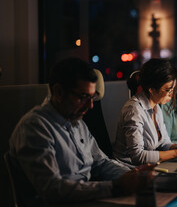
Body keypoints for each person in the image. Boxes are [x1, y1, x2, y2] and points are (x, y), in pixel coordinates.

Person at [8, 57, 153, 205]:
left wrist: (134, 176)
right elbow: (52, 189)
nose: (90, 106)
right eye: (84, 97)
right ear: (58, 92)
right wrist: (116, 187)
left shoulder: (78, 123)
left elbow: (101, 163)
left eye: (92, 97)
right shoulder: (35, 128)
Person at [113, 58, 177, 167]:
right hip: (128, 169)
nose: (171, 95)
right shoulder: (134, 110)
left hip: (149, 166)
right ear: (151, 89)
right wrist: (176, 153)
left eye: (172, 91)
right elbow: (137, 156)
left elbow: (163, 143)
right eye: (168, 90)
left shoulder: (156, 107)